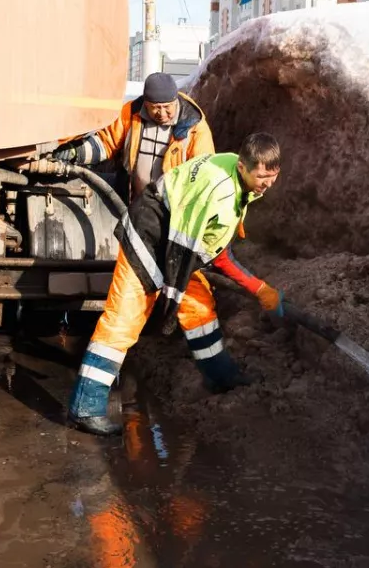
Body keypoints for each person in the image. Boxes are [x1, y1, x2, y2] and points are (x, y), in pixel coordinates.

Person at [68, 132, 287, 436]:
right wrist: (168, 304)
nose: (268, 184)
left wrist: (259, 288)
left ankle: (221, 376)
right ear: (243, 166)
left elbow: (216, 251)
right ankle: (86, 407)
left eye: (273, 176)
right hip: (149, 237)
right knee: (124, 320)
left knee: (199, 310)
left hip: (177, 238)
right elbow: (182, 255)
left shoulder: (234, 169)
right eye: (262, 177)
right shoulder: (219, 192)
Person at [52, 71, 214, 201]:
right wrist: (76, 152)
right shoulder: (130, 114)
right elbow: (106, 143)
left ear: (175, 101)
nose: (162, 113)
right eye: (156, 107)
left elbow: (205, 172)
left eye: (167, 107)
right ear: (146, 103)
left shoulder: (194, 126)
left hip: (173, 207)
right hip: (133, 200)